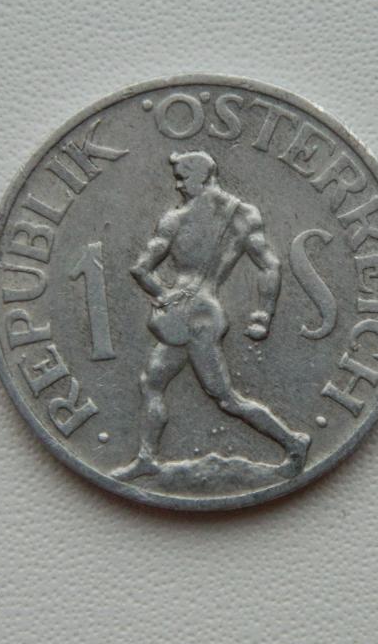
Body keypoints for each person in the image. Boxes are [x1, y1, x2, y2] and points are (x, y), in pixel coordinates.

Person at [112, 150, 310, 481]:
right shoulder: (243, 215)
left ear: (203, 177)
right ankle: (147, 458)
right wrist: (263, 313)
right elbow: (269, 265)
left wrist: (164, 295)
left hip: (193, 319)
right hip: (195, 315)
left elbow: (141, 268)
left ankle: (294, 442)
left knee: (226, 398)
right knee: (152, 381)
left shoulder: (175, 220)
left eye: (182, 177)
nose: (177, 185)